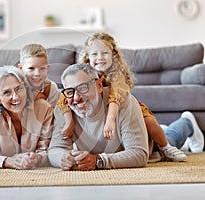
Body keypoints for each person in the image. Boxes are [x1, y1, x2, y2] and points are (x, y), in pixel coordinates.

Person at [57, 32, 186, 162]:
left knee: (154, 127)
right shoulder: (81, 77)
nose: (100, 58)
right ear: (87, 57)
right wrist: (69, 123)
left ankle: (173, 138)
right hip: (112, 118)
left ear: (113, 55)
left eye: (105, 53)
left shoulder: (116, 76)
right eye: (95, 54)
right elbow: (64, 100)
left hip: (125, 111)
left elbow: (115, 98)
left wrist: (110, 120)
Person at [48, 64, 203, 171]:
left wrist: (99, 161)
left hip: (152, 146)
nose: (76, 98)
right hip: (123, 139)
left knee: (172, 138)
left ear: (99, 86)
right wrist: (63, 157)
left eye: (82, 88)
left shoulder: (122, 101)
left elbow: (139, 154)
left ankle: (187, 122)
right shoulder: (64, 108)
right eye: (70, 91)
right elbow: (54, 149)